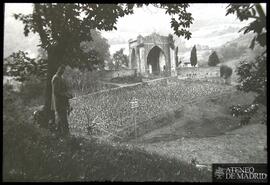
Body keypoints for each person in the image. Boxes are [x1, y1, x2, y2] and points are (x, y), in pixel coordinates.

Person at [51, 64, 73, 137]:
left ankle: (59, 136)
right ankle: (66, 136)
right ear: (58, 69)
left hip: (64, 103)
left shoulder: (62, 78)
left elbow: (64, 90)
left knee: (61, 121)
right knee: (64, 121)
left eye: (63, 69)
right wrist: (66, 95)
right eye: (61, 69)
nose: (62, 71)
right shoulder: (56, 78)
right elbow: (56, 92)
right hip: (59, 103)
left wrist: (69, 94)